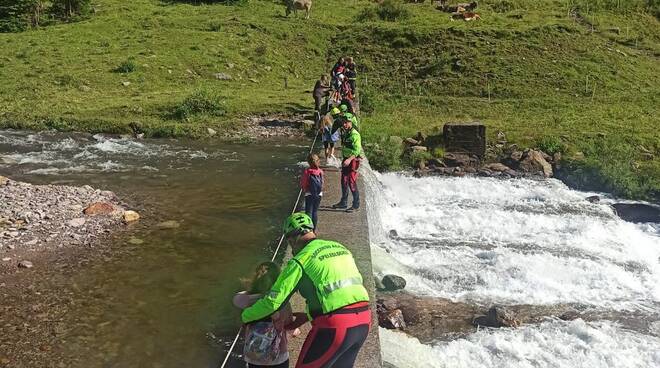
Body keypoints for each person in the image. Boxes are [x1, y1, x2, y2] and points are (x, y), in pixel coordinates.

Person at [241, 213, 371, 368]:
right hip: (364, 321)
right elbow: (339, 293)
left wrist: (246, 316)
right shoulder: (340, 248)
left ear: (291, 239)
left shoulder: (300, 260)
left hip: (335, 326)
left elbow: (272, 302)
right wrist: (307, 316)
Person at [233, 262, 299, 368]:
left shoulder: (247, 300)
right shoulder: (283, 303)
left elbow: (236, 299)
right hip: (278, 356)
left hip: (254, 355)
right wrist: (295, 329)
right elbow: (289, 324)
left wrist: (252, 293)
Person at [333, 117, 362, 212]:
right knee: (344, 181)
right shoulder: (346, 132)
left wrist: (349, 159)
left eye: (346, 123)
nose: (344, 125)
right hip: (346, 159)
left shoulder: (355, 135)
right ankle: (343, 202)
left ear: (351, 123)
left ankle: (356, 205)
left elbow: (357, 150)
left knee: (351, 182)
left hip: (353, 160)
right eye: (343, 123)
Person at [301, 153, 324, 230]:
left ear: (308, 162)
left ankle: (308, 229)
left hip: (309, 194)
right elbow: (322, 182)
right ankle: (314, 230)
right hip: (319, 194)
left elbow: (304, 183)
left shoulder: (307, 171)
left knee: (308, 212)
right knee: (315, 211)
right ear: (318, 161)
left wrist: (305, 189)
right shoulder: (320, 171)